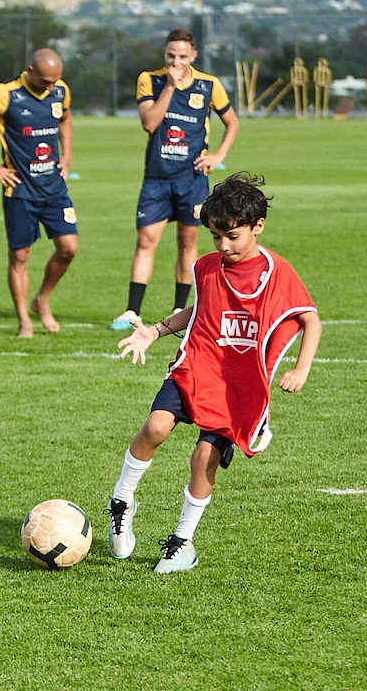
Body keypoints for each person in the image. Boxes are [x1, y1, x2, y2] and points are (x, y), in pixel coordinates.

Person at [106, 173, 322, 573]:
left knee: (203, 456)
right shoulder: (207, 267)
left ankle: (182, 542)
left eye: (232, 236)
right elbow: (200, 309)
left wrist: (301, 368)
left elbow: (310, 319)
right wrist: (153, 331)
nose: (224, 246)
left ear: (258, 227)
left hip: (237, 386)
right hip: (197, 364)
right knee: (155, 428)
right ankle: (121, 500)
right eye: (215, 237)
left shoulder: (276, 271)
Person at [109, 28, 239, 331]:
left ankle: (180, 308)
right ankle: (132, 312)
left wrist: (218, 155)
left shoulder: (209, 85)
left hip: (192, 179)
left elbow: (232, 122)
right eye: (171, 55)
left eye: (182, 56)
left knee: (187, 241)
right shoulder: (150, 80)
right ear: (164, 55)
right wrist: (169, 85)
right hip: (156, 179)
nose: (176, 61)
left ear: (193, 56)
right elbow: (149, 122)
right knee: (145, 240)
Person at [0, 48, 77, 338]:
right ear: (30, 71)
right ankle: (24, 318)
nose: (51, 87)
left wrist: (67, 156)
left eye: (55, 81)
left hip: (53, 187)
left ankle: (41, 299)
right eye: (46, 81)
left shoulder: (60, 90)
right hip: (20, 190)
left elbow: (66, 119)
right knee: (20, 256)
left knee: (69, 248)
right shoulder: (3, 94)